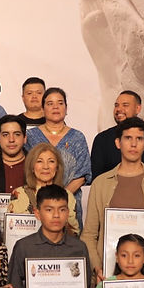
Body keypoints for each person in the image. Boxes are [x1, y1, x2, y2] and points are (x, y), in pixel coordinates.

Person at [81, 117, 144, 282]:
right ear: (118, 143)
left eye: (139, 139)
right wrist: (98, 268)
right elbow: (89, 235)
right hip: (109, 275)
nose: (133, 144)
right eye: (128, 138)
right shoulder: (101, 183)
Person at [25, 87, 91, 223]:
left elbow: (82, 175)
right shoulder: (31, 136)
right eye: (50, 104)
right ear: (42, 109)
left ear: (66, 108)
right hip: (36, 204)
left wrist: (60, 198)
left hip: (68, 204)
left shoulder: (77, 137)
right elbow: (27, 171)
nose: (55, 107)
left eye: (60, 103)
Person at [89, 90, 144, 178]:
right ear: (117, 142)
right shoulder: (102, 139)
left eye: (125, 105)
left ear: (137, 109)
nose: (119, 109)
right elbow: (96, 176)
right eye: (116, 105)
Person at [8, 143, 80, 235]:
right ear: (32, 167)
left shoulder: (67, 195)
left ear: (57, 167)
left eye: (51, 161)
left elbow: (74, 233)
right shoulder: (19, 194)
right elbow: (12, 232)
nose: (46, 167)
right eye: (39, 161)